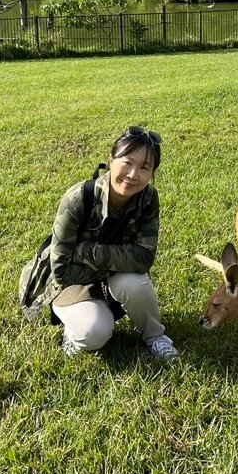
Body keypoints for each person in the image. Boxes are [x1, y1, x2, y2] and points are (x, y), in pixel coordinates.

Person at [47, 126, 179, 362]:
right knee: (94, 333)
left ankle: (155, 337)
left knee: (134, 282)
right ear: (111, 160)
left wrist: (87, 251)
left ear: (152, 173)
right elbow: (60, 271)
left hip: (104, 272)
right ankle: (73, 327)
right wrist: (117, 264)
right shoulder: (78, 198)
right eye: (127, 162)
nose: (132, 174)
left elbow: (144, 258)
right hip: (69, 282)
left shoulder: (148, 198)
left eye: (144, 168)